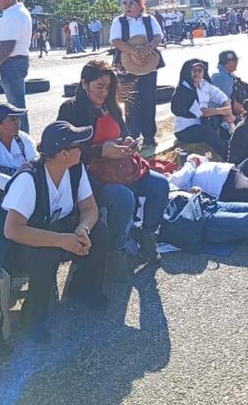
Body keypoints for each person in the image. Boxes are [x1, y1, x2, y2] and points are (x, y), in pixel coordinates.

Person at [57, 60, 170, 273]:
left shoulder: (112, 106)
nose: (104, 92)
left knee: (161, 185)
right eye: (99, 86)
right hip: (91, 175)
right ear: (84, 84)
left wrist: (129, 143)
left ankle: (147, 236)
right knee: (123, 197)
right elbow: (64, 152)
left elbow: (125, 133)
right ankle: (117, 249)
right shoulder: (71, 109)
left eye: (108, 87)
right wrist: (101, 151)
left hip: (121, 168)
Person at [0, 121, 106, 341]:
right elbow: (12, 230)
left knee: (100, 232)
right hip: (18, 245)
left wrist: (82, 228)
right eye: (78, 146)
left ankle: (83, 288)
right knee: (46, 253)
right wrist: (61, 240)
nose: (82, 149)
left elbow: (90, 209)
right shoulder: (29, 179)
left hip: (57, 230)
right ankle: (32, 316)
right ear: (64, 154)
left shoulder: (76, 169)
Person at [109, 0, 164, 148]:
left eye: (131, 3)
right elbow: (116, 41)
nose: (127, 6)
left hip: (148, 63)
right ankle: (131, 136)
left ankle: (149, 137)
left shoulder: (149, 20)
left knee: (148, 100)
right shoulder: (118, 22)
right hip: (126, 65)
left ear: (140, 5)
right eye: (124, 3)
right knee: (130, 102)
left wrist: (148, 48)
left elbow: (158, 36)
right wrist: (133, 51)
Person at [0, 103, 37, 215]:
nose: (18, 122)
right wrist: (24, 188)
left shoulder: (24, 139)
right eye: (12, 119)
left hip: (20, 188)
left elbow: (35, 165)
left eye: (18, 118)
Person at [0, 0, 33, 132]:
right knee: (17, 106)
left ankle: (22, 142)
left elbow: (7, 46)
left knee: (16, 108)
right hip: (15, 62)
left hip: (12, 63)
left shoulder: (13, 15)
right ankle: (22, 141)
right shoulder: (18, 12)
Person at [171, 59, 234, 159]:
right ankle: (228, 156)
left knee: (220, 122)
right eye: (194, 70)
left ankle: (232, 146)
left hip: (201, 123)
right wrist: (223, 111)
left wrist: (228, 112)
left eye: (199, 70)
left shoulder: (204, 84)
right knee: (207, 132)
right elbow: (201, 112)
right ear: (188, 72)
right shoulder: (184, 90)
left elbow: (222, 97)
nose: (197, 73)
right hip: (185, 130)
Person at [211, 50, 248, 117]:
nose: (237, 62)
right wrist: (245, 114)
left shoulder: (227, 74)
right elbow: (229, 102)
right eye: (235, 61)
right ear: (228, 63)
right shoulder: (220, 77)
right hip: (222, 117)